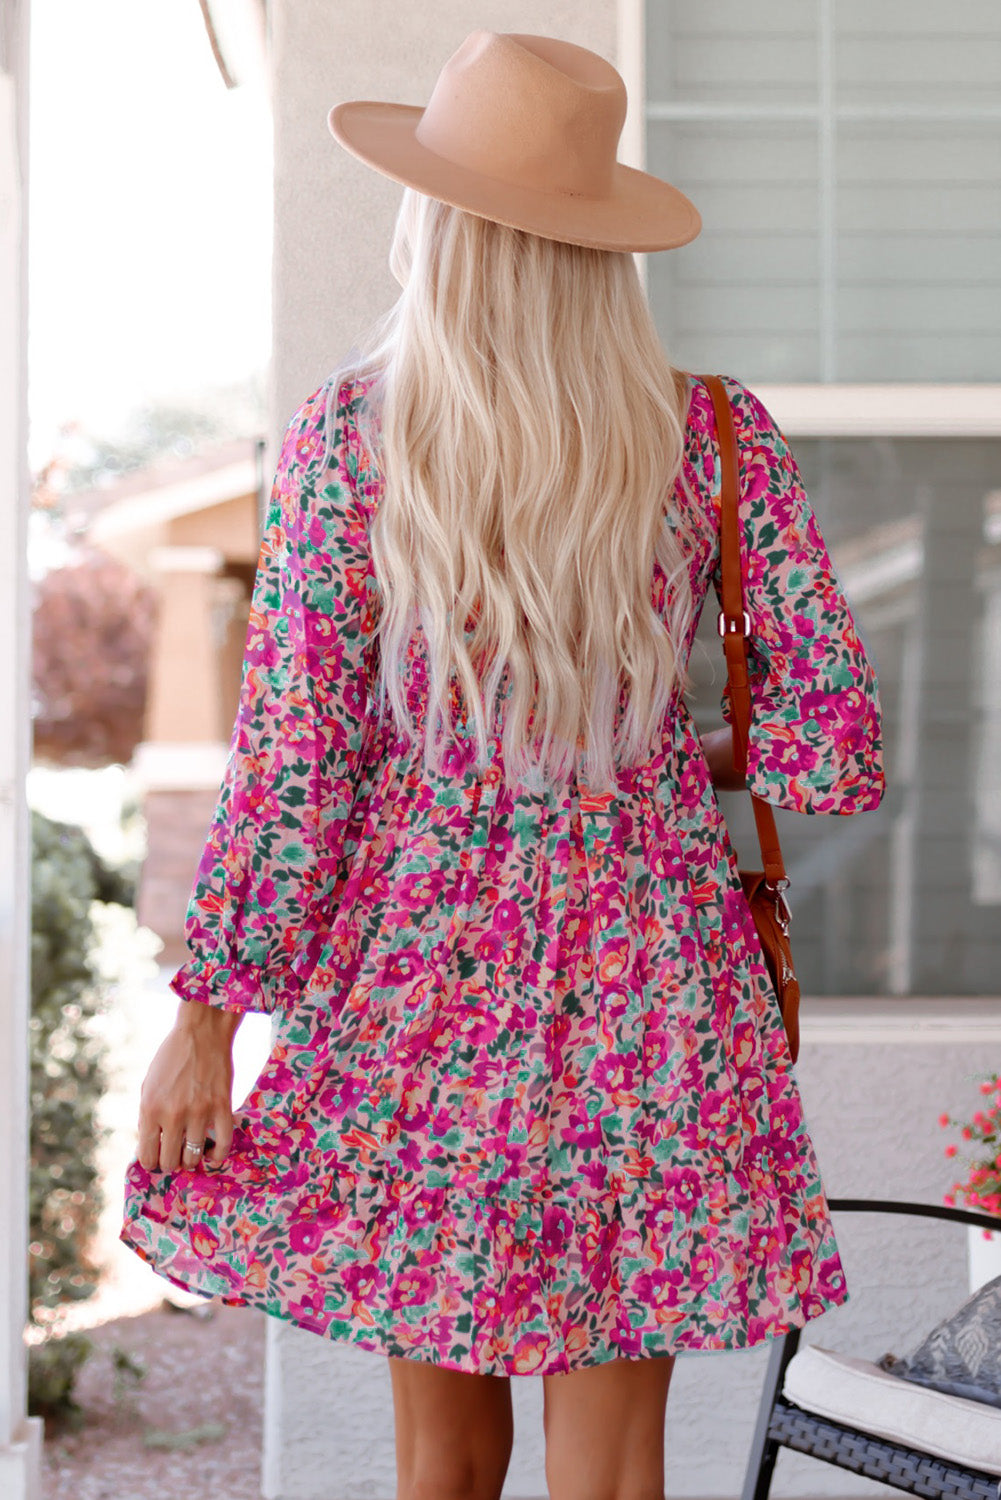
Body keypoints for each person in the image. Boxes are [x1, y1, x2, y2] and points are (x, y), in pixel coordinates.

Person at [120, 29, 885, 1500]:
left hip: (423, 983)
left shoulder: (356, 439)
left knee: (445, 1461)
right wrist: (645, 745)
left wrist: (209, 1017)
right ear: (601, 248)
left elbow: (297, 764)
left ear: (442, 229)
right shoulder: (711, 437)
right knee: (614, 1471)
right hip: (653, 983)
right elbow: (830, 753)